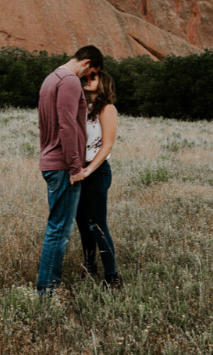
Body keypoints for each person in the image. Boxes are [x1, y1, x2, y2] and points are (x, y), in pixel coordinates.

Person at [36, 45, 103, 294]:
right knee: (59, 231)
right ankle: (47, 291)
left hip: (52, 161)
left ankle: (47, 287)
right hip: (64, 166)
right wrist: (76, 167)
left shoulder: (50, 79)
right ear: (86, 63)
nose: (88, 79)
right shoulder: (69, 81)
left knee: (57, 227)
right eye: (90, 73)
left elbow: (45, 125)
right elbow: (67, 126)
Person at [76, 70, 121, 288]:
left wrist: (89, 170)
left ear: (103, 84)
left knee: (98, 225)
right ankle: (89, 266)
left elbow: (108, 145)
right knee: (83, 223)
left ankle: (112, 277)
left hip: (97, 170)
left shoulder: (108, 109)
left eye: (92, 78)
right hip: (80, 170)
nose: (87, 80)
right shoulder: (86, 109)